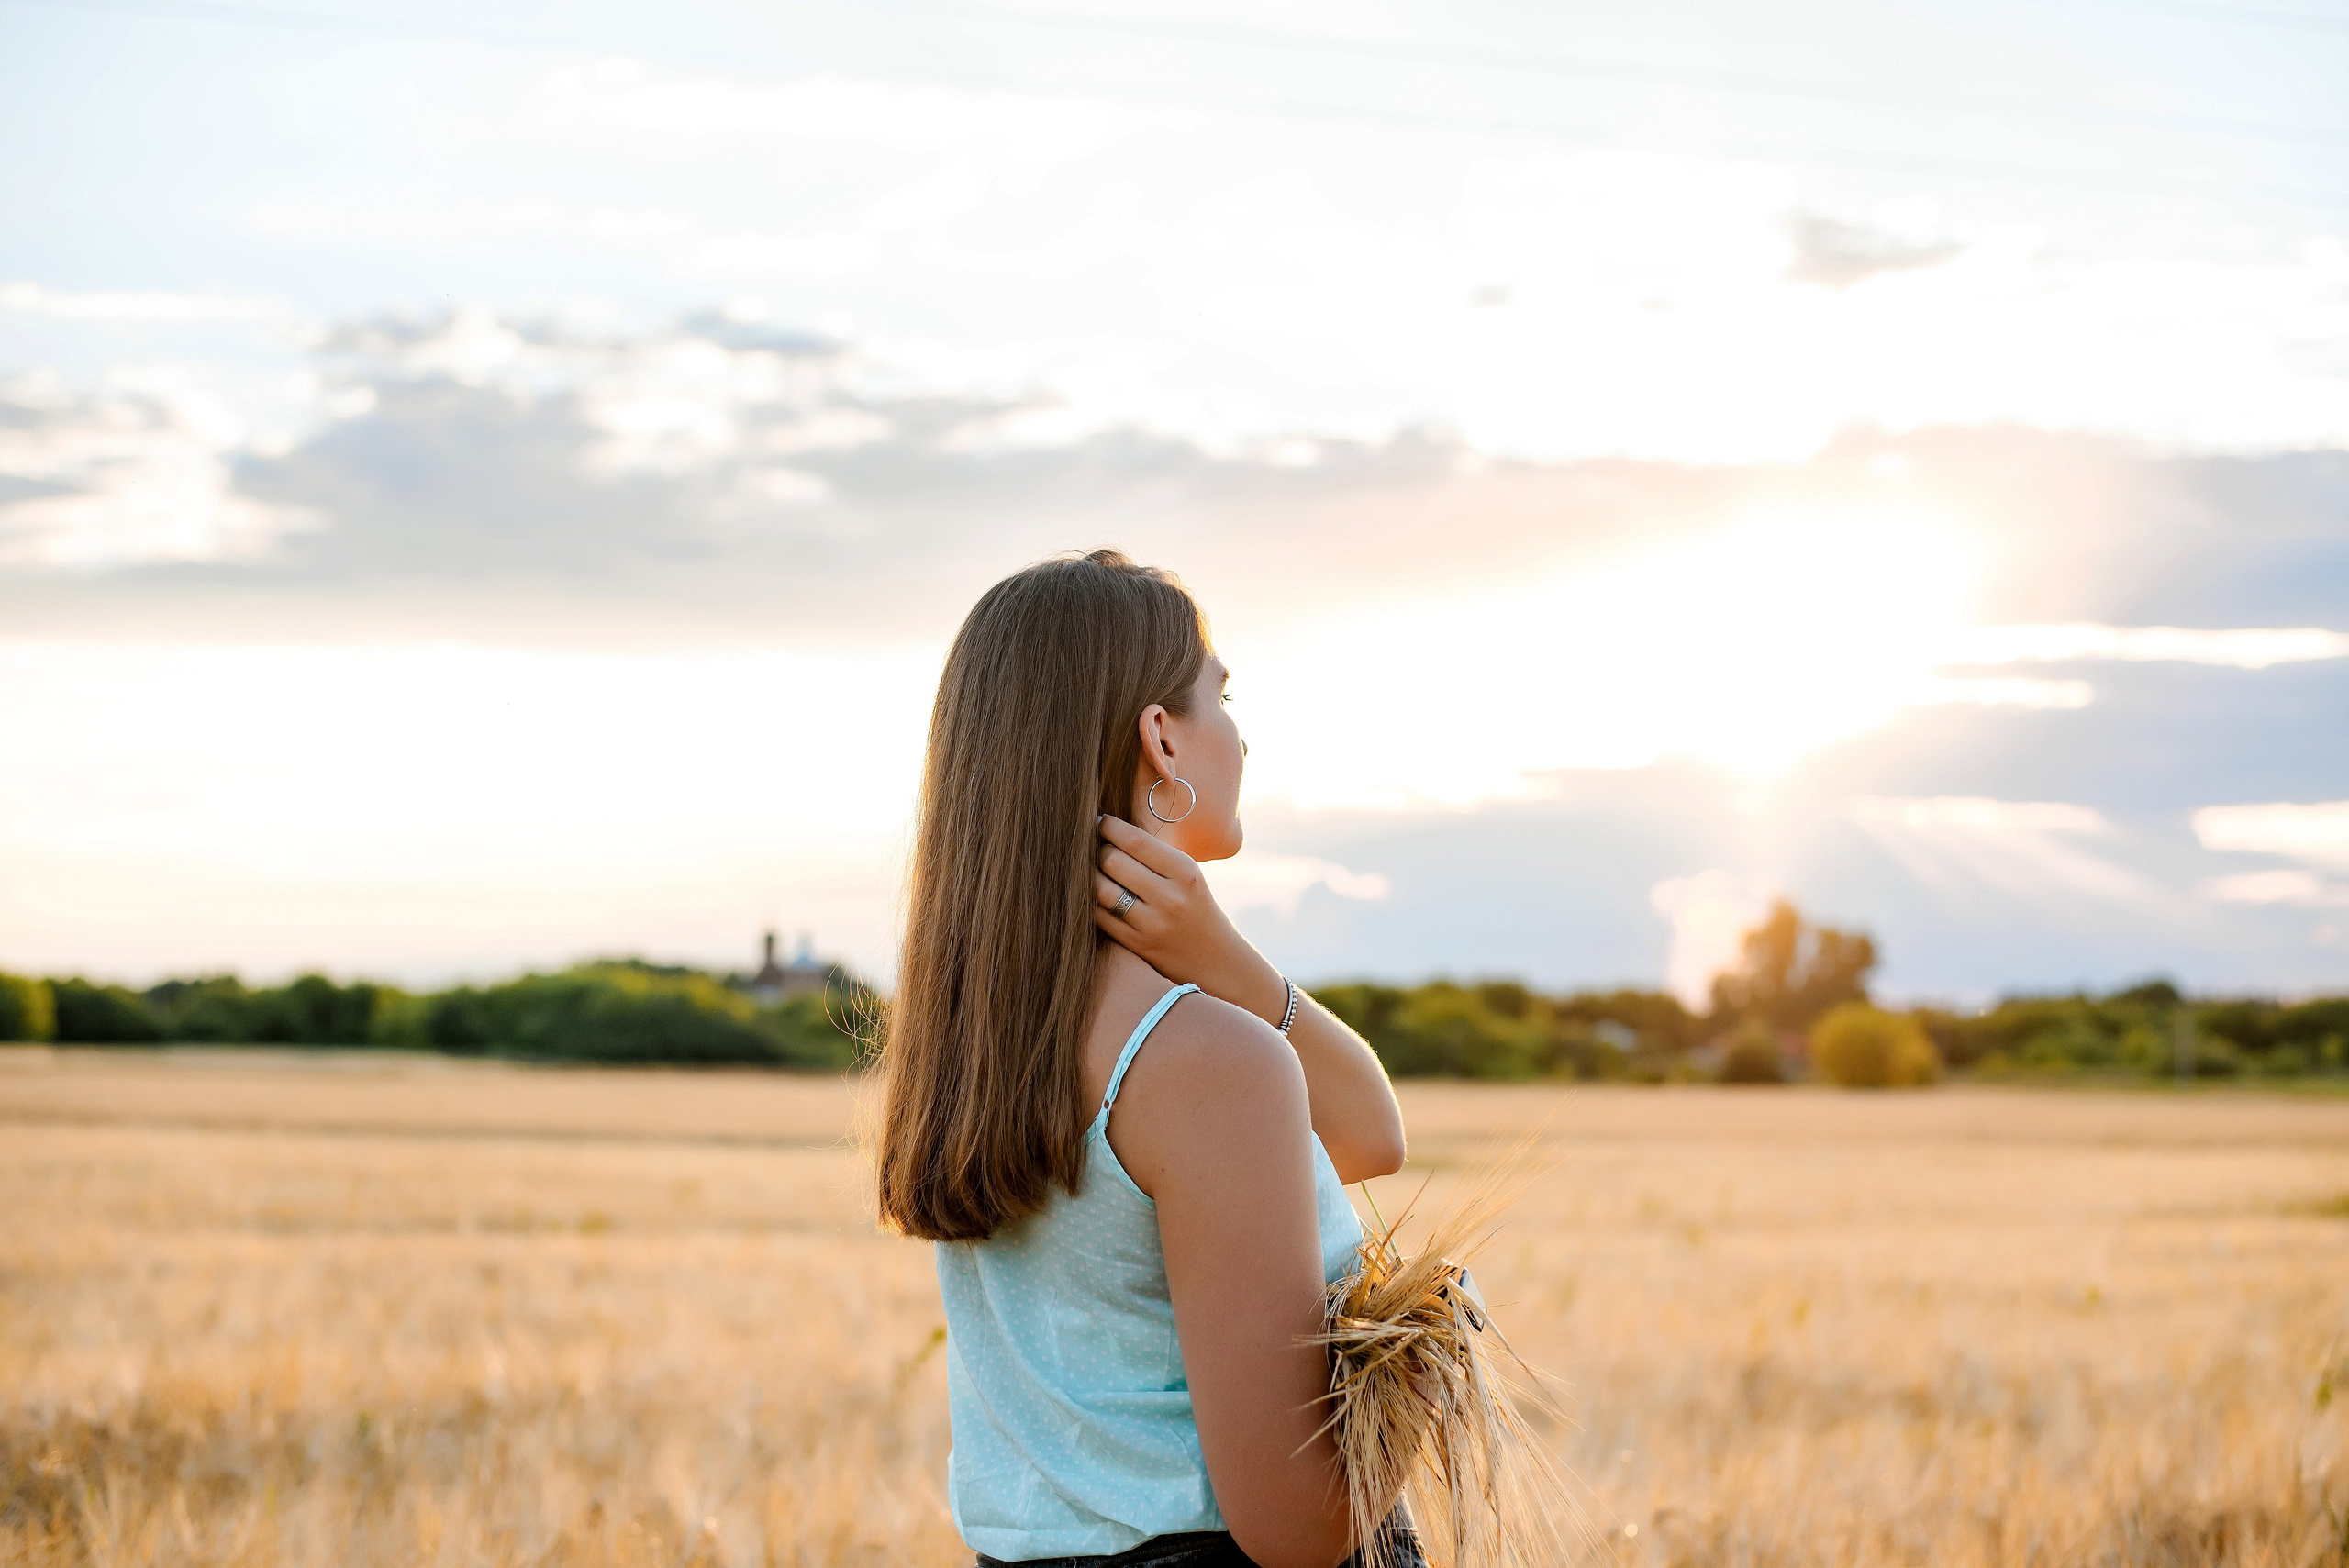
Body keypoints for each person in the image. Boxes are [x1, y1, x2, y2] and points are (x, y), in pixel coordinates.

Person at [875, 550, 1418, 1568]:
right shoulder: (1209, 1061)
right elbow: (1297, 1530)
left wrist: (1221, 956)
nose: (1242, 734)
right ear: (1162, 736)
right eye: (1222, 695)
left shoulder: (985, 1029)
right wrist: (1427, 1361)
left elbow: (1369, 1134)